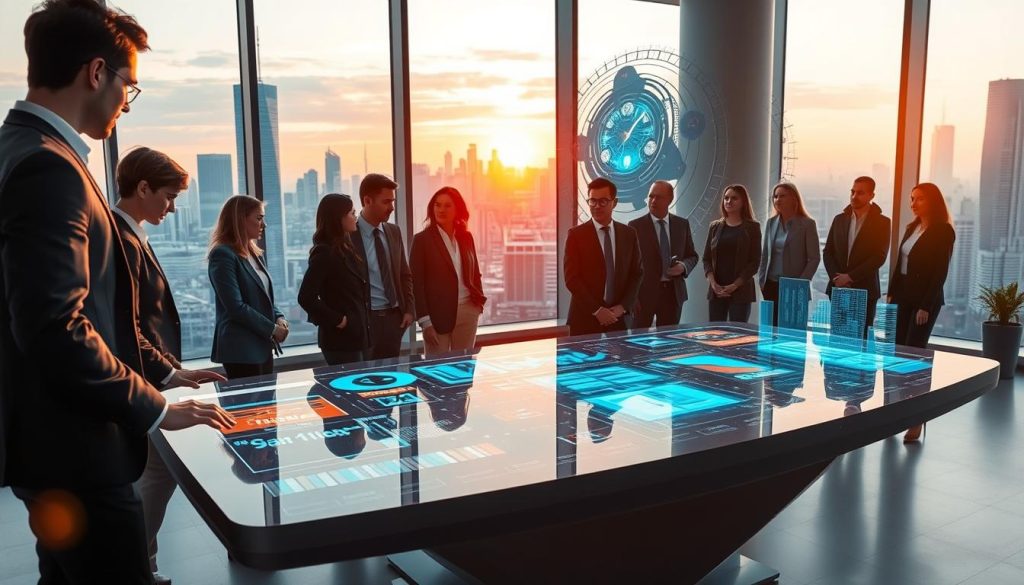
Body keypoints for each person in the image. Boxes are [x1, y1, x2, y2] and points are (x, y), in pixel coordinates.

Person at [0, 2, 234, 583]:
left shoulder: (17, 148)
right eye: (129, 86)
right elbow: (56, 327)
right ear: (96, 72)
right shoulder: (49, 167)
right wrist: (156, 407)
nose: (127, 102)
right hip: (77, 449)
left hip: (46, 445)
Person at [114, 146, 227, 584]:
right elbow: (128, 329)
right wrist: (167, 373)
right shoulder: (121, 241)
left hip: (152, 378)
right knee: (154, 477)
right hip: (142, 382)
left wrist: (173, 372)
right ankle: (136, 567)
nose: (173, 208)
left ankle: (142, 565)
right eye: (169, 197)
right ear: (143, 188)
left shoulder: (131, 235)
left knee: (156, 477)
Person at [887, 182, 955, 442]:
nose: (913, 203)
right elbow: (900, 264)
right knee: (898, 355)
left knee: (915, 359)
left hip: (924, 301)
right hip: (902, 298)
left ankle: (917, 419)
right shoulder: (911, 227)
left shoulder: (943, 231)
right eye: (912, 198)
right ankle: (896, 413)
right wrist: (892, 292)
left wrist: (925, 305)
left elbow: (940, 272)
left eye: (919, 199)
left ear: (933, 201)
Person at [208, 195, 289, 379]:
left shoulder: (254, 253)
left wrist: (279, 317)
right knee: (251, 398)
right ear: (239, 220)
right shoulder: (223, 254)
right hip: (241, 350)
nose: (264, 224)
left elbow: (263, 296)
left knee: (267, 397)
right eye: (259, 218)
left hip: (262, 346)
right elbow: (235, 307)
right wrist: (272, 329)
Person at [410, 187, 486, 356]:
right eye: (437, 205)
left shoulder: (466, 237)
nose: (441, 210)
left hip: (468, 311)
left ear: (457, 209)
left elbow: (475, 273)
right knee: (437, 368)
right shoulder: (422, 240)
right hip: (437, 316)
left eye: (447, 205)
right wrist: (425, 322)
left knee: (464, 365)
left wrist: (478, 305)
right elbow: (416, 284)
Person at [297, 194, 371, 365]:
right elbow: (306, 297)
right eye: (352, 213)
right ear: (339, 218)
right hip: (341, 342)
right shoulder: (324, 252)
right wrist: (339, 321)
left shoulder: (346, 248)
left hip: (359, 337)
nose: (356, 217)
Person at [564, 178, 643, 337]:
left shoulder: (629, 234)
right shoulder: (576, 235)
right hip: (585, 318)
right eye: (592, 201)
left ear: (614, 202)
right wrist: (597, 310)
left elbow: (637, 273)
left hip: (619, 318)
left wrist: (623, 306)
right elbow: (572, 278)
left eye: (603, 201)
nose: (597, 206)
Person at [351, 174, 414, 359]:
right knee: (365, 374)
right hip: (365, 321)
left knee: (391, 374)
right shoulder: (349, 236)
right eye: (386, 202)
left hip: (394, 320)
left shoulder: (393, 231)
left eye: (392, 201)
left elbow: (404, 274)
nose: (392, 207)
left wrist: (409, 309)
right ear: (367, 201)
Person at [823, 176, 892, 336]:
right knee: (838, 338)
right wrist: (837, 278)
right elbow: (828, 252)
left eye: (860, 193)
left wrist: (850, 277)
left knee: (861, 340)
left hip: (865, 290)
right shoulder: (839, 219)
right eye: (852, 192)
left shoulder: (882, 222)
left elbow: (879, 256)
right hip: (838, 288)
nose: (854, 196)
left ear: (871, 195)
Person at [627, 180, 699, 330]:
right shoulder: (635, 226)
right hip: (643, 295)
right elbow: (628, 265)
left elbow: (692, 256)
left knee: (669, 340)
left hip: (673, 294)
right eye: (651, 196)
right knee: (638, 340)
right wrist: (632, 297)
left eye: (658, 197)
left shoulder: (682, 224)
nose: (653, 201)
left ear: (670, 200)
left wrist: (683, 266)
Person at [759, 181, 820, 326]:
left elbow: (814, 258)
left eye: (782, 196)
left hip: (794, 287)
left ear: (794, 198)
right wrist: (761, 281)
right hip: (771, 285)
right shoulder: (771, 223)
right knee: (770, 329)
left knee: (792, 331)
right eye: (775, 196)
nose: (778, 200)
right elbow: (765, 255)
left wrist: (800, 283)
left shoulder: (807, 224)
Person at [702, 184, 762, 322]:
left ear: (743, 202)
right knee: (715, 331)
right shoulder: (715, 226)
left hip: (741, 290)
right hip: (717, 290)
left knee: (738, 332)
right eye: (726, 198)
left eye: (734, 198)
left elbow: (755, 262)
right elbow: (706, 258)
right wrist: (713, 283)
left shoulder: (752, 227)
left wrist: (735, 285)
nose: (729, 201)